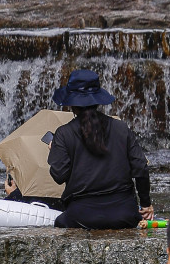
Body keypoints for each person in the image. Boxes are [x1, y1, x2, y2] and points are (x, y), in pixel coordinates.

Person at [47, 70, 153, 230]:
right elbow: (141, 167)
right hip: (124, 214)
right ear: (98, 100)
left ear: (71, 103)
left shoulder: (63, 134)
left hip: (80, 216)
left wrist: (54, 151)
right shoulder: (121, 128)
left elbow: (59, 176)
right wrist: (146, 204)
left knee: (60, 222)